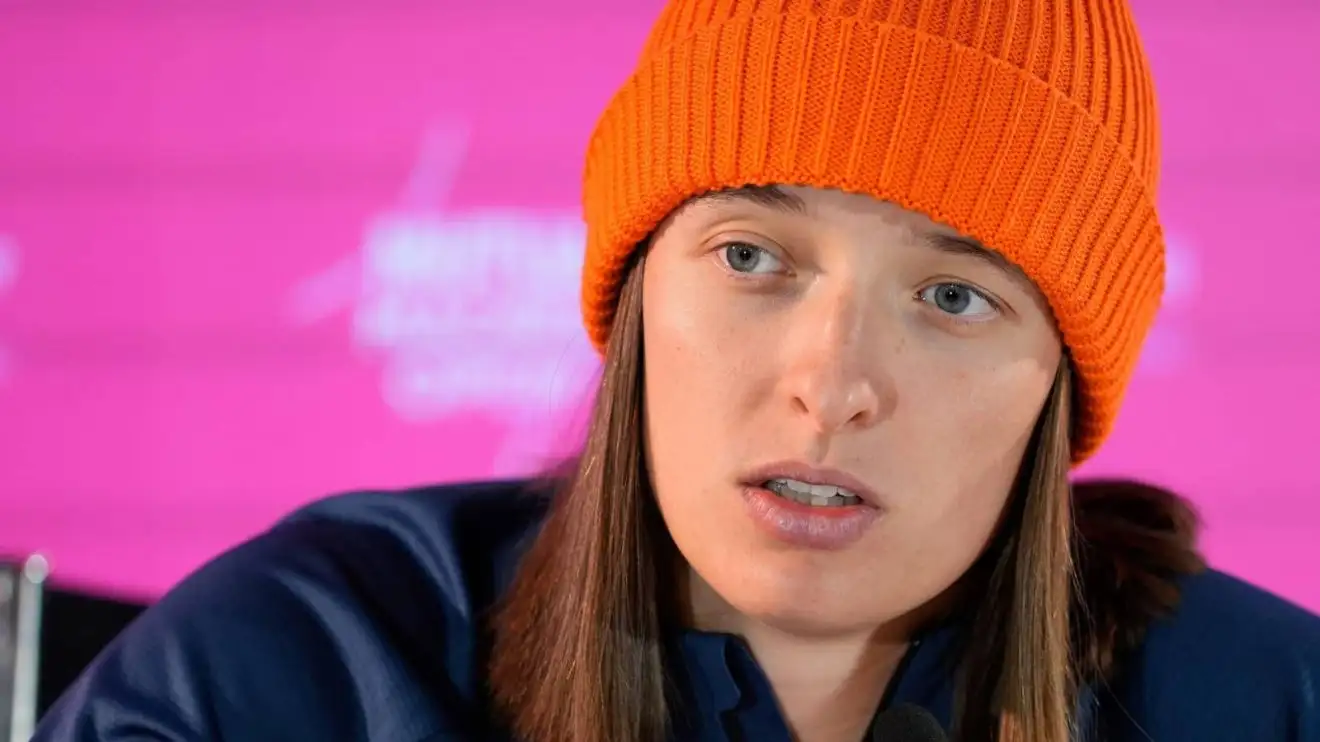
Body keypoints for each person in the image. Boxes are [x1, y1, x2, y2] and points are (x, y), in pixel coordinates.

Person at [33, 0, 1320, 740]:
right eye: (754, 254)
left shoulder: (1267, 706)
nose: (832, 382)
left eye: (952, 295)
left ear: (1057, 384)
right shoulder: (297, 666)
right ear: (639, 292)